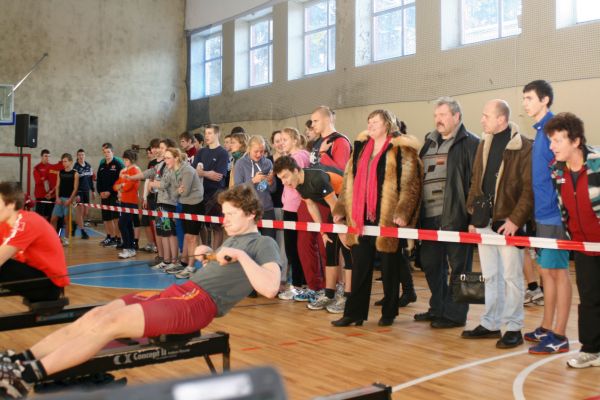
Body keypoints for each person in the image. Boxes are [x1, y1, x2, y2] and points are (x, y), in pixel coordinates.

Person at [0, 185, 281, 399]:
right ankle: (19, 360)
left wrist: (241, 256)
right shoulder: (232, 240)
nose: (224, 220)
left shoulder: (262, 244)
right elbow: (223, 271)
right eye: (224, 213)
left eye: (230, 214)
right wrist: (207, 253)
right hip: (179, 292)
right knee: (97, 315)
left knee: (110, 324)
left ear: (251, 214)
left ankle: (26, 376)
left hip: (197, 305)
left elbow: (270, 288)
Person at [331, 109, 422, 327]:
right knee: (360, 267)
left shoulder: (401, 148)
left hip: (388, 217)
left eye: (375, 122)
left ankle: (389, 312)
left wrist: (403, 212)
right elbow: (348, 180)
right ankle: (354, 313)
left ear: (387, 124)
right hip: (361, 217)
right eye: (369, 121)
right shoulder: (361, 148)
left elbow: (411, 183)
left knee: (390, 268)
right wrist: (341, 208)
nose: (370, 125)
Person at [462, 100, 533, 349]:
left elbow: (529, 189)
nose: (482, 120)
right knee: (490, 276)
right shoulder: (484, 143)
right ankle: (491, 322)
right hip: (483, 221)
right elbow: (476, 181)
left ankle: (513, 327)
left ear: (501, 119)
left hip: (508, 222)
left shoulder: (523, 147)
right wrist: (473, 215)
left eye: (486, 115)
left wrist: (516, 220)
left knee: (512, 277)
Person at [415, 97, 480, 329]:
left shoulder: (472, 143)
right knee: (430, 263)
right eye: (436, 115)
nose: (438, 120)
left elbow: (477, 183)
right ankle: (438, 307)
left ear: (456, 116)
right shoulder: (428, 143)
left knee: (462, 267)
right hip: (429, 216)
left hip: (456, 215)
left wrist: (474, 217)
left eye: (443, 115)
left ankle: (457, 315)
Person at [546, 112, 600, 368]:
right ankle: (591, 350)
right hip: (582, 246)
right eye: (551, 141)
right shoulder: (557, 170)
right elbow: (564, 206)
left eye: (557, 140)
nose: (552, 146)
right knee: (589, 299)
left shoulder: (597, 164)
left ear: (576, 141)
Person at [521, 80, 572, 354]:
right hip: (541, 215)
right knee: (545, 273)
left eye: (529, 98)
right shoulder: (541, 131)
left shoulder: (554, 129)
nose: (525, 103)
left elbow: (563, 172)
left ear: (545, 100)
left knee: (557, 273)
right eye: (524, 98)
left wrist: (558, 212)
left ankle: (559, 334)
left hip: (554, 216)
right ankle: (546, 326)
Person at [274, 155, 352, 314]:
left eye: (285, 177)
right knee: (330, 248)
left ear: (296, 170)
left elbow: (335, 206)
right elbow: (311, 206)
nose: (284, 182)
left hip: (348, 203)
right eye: (281, 179)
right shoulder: (299, 184)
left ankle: (348, 297)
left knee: (347, 251)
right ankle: (329, 294)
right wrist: (323, 232)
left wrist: (342, 230)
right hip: (336, 207)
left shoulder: (317, 179)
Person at [0, 182, 69, 306]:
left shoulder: (26, 221)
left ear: (11, 204)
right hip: (34, 277)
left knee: (3, 265)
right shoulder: (4, 224)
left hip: (49, 286)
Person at [160, 147, 204, 278]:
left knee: (192, 237)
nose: (165, 161)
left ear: (176, 158)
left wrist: (178, 191)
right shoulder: (172, 171)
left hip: (195, 205)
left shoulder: (187, 170)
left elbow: (184, 192)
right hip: (184, 204)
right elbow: (172, 194)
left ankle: (191, 267)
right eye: (165, 158)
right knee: (187, 236)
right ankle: (185, 263)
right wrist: (177, 191)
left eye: (168, 158)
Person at [277, 127, 309, 301]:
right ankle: (301, 284)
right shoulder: (296, 156)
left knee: (294, 249)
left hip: (295, 208)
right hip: (291, 206)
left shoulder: (297, 158)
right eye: (280, 140)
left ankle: (298, 286)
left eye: (285, 139)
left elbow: (299, 182)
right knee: (295, 248)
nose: (282, 143)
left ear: (295, 140)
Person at [233, 135, 277, 239]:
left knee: (269, 242)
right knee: (250, 243)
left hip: (266, 209)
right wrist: (253, 181)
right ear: (249, 149)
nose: (259, 154)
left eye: (262, 151)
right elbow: (237, 190)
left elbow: (272, 190)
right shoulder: (240, 164)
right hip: (248, 210)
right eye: (256, 151)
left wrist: (270, 182)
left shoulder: (268, 163)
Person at [193, 124, 229, 249]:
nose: (206, 136)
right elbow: (194, 171)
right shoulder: (201, 152)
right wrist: (207, 173)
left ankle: (215, 254)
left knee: (216, 227)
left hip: (216, 194)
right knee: (202, 225)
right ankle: (206, 251)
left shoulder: (223, 153)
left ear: (217, 134)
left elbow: (218, 176)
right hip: (200, 194)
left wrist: (202, 172)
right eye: (206, 133)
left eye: (210, 133)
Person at [113, 150, 142, 259]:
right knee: (128, 225)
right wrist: (121, 186)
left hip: (131, 201)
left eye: (126, 159)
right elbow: (115, 186)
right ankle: (131, 249)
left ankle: (128, 247)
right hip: (124, 201)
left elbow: (128, 187)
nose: (124, 161)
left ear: (132, 160)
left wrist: (121, 186)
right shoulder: (124, 171)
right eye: (124, 159)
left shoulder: (135, 170)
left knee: (122, 224)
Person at [97, 143, 124, 247]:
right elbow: (99, 180)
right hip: (104, 195)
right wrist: (100, 192)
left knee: (116, 218)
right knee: (106, 218)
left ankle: (118, 238)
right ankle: (110, 237)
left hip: (114, 195)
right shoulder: (102, 165)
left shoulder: (118, 164)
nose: (106, 154)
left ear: (112, 152)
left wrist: (110, 191)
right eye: (104, 152)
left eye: (108, 152)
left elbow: (119, 180)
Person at [50, 154, 79, 247]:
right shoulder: (60, 172)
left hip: (69, 199)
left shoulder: (75, 173)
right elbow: (57, 186)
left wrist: (70, 200)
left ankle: (66, 239)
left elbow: (75, 189)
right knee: (53, 219)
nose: (64, 163)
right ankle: (55, 238)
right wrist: (57, 198)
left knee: (67, 220)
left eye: (65, 161)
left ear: (70, 162)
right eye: (63, 161)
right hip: (60, 199)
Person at [72, 149, 94, 240]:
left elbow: (90, 179)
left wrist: (93, 190)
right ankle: (83, 232)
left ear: (85, 156)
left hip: (86, 191)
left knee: (85, 212)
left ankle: (74, 224)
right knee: (80, 212)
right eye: (79, 155)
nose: (81, 156)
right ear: (77, 156)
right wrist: (76, 194)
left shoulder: (88, 166)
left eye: (82, 155)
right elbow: (74, 181)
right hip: (79, 192)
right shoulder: (75, 167)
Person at [33, 150, 59, 221]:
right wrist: (46, 177)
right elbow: (38, 181)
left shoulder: (52, 167)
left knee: (50, 215)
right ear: (41, 157)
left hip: (51, 196)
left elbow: (55, 181)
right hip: (40, 195)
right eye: (45, 156)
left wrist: (43, 178)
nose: (47, 158)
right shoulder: (37, 167)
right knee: (40, 216)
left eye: (48, 156)